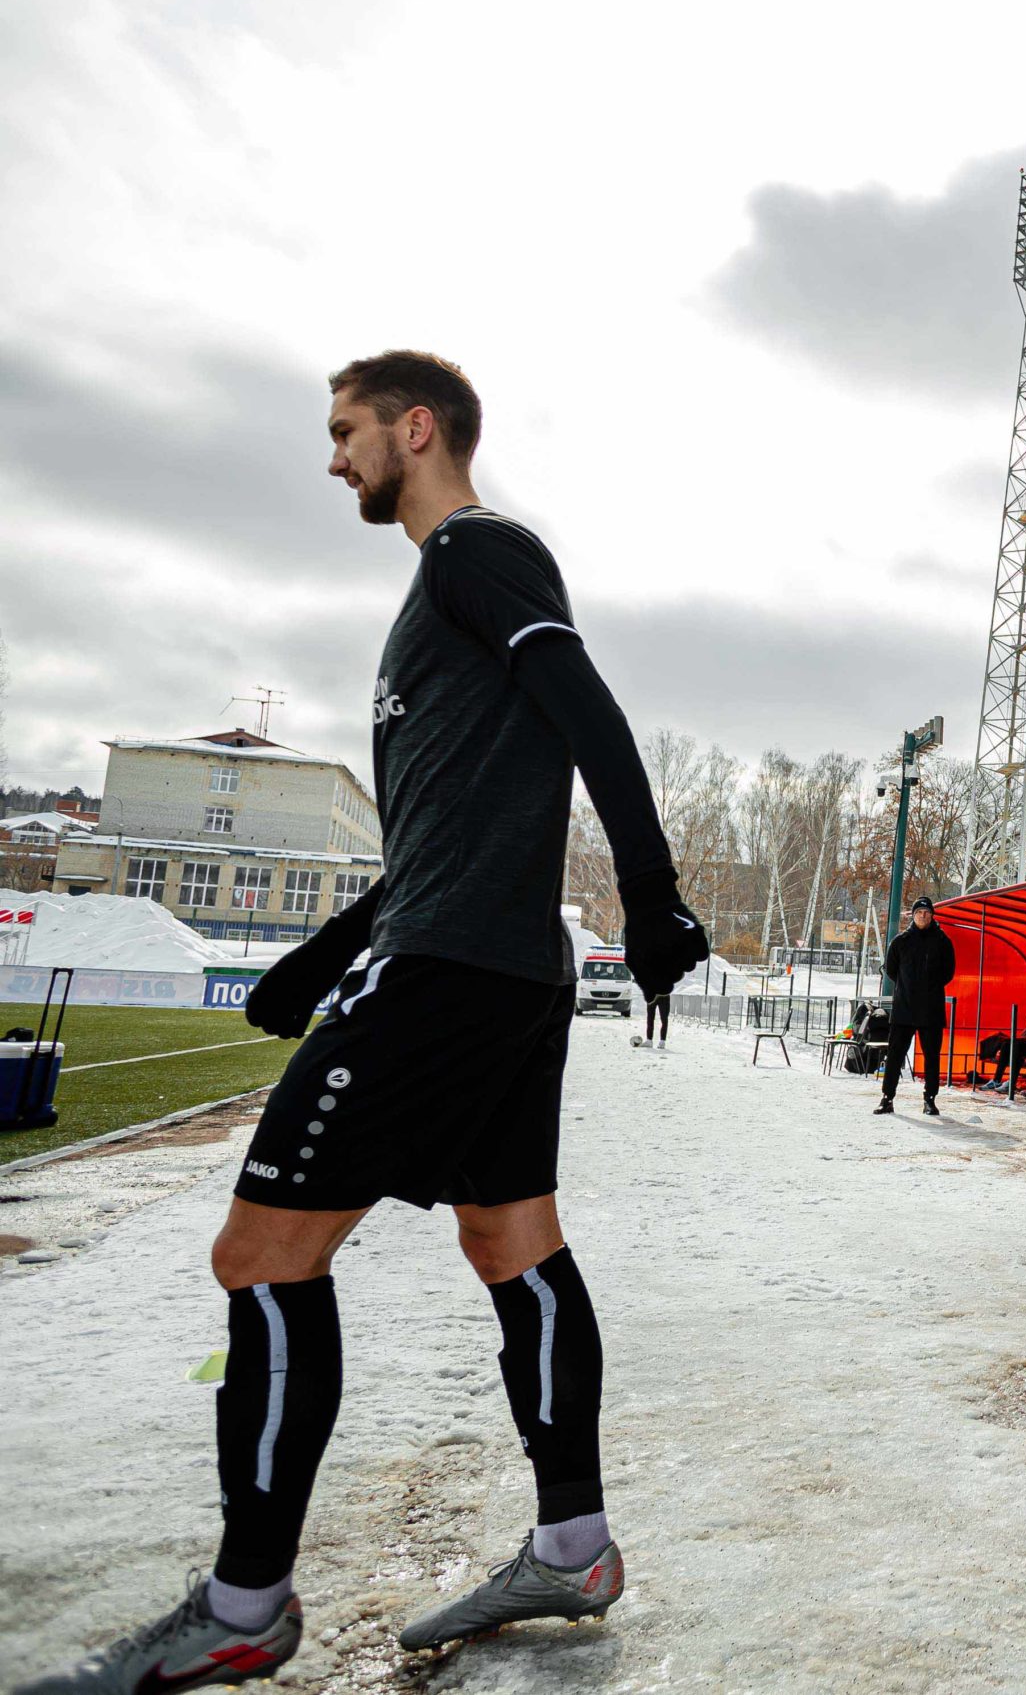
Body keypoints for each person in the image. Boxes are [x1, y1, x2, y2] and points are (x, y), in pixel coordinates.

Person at [17, 353, 711, 1695]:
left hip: (454, 973)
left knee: (264, 1254)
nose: (334, 458)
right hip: (488, 962)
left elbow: (591, 712)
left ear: (415, 428)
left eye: (345, 433)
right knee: (513, 1237)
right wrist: (317, 957)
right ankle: (572, 1541)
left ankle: (242, 1602)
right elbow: (448, 832)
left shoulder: (478, 552)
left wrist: (657, 891)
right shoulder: (444, 592)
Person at [876, 897, 957, 1117]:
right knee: (894, 1055)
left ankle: (930, 1099)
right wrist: (908, 987)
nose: (923, 916)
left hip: (931, 1009)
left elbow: (948, 972)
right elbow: (892, 970)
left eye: (927, 913)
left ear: (932, 916)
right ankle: (887, 1098)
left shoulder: (942, 941)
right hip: (904, 1008)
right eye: (919, 912)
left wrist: (928, 986)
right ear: (913, 915)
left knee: (932, 1056)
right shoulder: (901, 941)